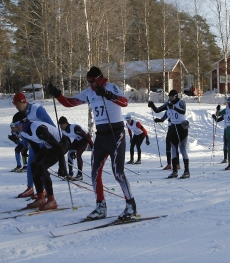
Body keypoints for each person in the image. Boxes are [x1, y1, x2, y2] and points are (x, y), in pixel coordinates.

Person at [47, 66, 137, 221]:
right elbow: (70, 103)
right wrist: (58, 95)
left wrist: (108, 95)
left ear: (100, 79)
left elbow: (124, 102)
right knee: (95, 173)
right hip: (101, 136)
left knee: (118, 172)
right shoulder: (89, 93)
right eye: (88, 81)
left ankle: (130, 206)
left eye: (93, 81)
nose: (90, 84)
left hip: (116, 134)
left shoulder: (111, 87)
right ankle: (100, 207)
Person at [10, 119, 69, 211]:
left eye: (17, 124)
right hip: (49, 146)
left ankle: (51, 200)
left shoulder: (38, 129)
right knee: (34, 165)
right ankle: (40, 197)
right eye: (13, 125)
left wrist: (62, 166)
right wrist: (39, 161)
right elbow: (35, 147)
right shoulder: (24, 132)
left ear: (24, 122)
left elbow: (57, 146)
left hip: (61, 144)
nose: (15, 127)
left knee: (41, 167)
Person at [12, 92, 56, 199]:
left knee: (41, 167)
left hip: (44, 141)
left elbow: (51, 125)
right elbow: (25, 131)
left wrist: (51, 142)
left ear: (23, 102)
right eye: (14, 105)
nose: (16, 107)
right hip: (34, 142)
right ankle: (30, 188)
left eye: (17, 104)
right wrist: (24, 146)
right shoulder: (22, 114)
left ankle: (45, 190)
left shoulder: (36, 109)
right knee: (31, 165)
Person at [150, 89, 190, 179]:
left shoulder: (181, 102)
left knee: (182, 148)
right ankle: (174, 171)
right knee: (173, 149)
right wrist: (152, 105)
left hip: (182, 128)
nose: (170, 99)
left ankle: (187, 171)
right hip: (172, 128)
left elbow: (183, 111)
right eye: (169, 97)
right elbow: (158, 110)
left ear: (176, 96)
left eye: (172, 97)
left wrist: (174, 107)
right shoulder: (168, 104)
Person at [58, 116, 93, 181]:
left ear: (66, 123)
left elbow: (86, 135)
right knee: (70, 154)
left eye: (62, 124)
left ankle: (80, 175)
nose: (61, 126)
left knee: (78, 154)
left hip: (85, 139)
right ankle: (70, 174)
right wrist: (72, 149)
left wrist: (92, 146)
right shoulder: (63, 131)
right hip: (77, 140)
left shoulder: (75, 127)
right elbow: (68, 141)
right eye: (59, 125)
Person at [9, 92, 29, 173]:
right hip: (23, 141)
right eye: (13, 127)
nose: (15, 128)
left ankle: (26, 166)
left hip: (28, 141)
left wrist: (18, 141)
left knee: (24, 150)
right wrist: (15, 140)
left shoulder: (22, 128)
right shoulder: (14, 131)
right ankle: (18, 165)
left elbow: (25, 138)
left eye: (16, 126)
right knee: (17, 149)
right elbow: (19, 141)